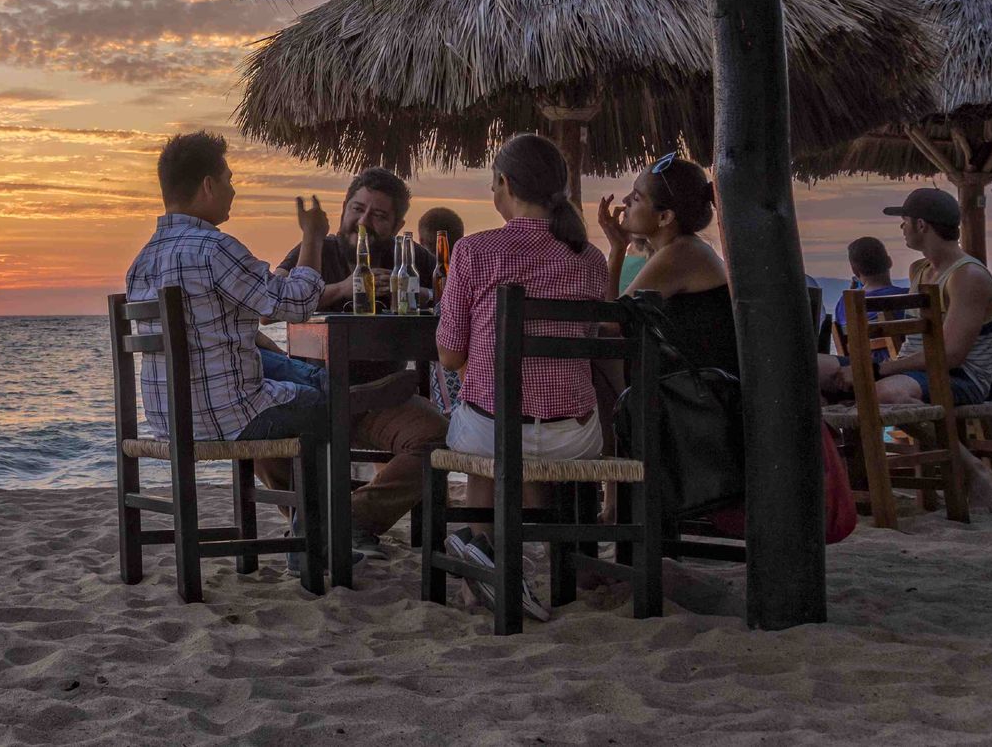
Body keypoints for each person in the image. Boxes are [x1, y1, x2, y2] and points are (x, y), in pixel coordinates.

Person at [126, 133, 446, 563]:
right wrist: (314, 240)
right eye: (229, 178)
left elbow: (235, 324)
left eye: (380, 215)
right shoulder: (215, 249)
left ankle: (338, 516)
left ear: (397, 224)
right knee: (316, 404)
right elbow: (288, 303)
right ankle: (315, 538)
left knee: (275, 369)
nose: (233, 189)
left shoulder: (142, 260)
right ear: (207, 186)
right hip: (230, 414)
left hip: (174, 416)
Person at [435, 133, 608, 621]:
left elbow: (449, 356)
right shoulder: (590, 258)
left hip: (493, 433)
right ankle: (529, 558)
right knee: (507, 418)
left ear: (503, 184)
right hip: (573, 439)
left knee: (484, 422)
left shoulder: (475, 252)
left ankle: (483, 565)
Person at [818, 189, 992, 407]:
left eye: (905, 221)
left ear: (921, 225)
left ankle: (949, 442)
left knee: (884, 394)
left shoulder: (968, 277)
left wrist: (872, 369)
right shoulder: (919, 270)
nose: (901, 227)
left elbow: (950, 356)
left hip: (960, 378)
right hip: (907, 369)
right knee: (812, 369)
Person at [597, 153, 734, 374]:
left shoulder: (680, 254)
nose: (625, 201)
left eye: (637, 197)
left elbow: (611, 324)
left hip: (701, 397)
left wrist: (617, 251)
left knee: (598, 353)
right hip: (695, 387)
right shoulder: (685, 249)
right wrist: (618, 248)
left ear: (665, 217)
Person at [281, 167, 437, 309]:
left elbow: (457, 297)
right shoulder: (316, 251)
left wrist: (418, 293)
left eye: (379, 216)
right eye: (357, 209)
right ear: (343, 209)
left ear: (397, 227)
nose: (363, 221)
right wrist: (342, 289)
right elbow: (267, 312)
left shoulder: (409, 255)